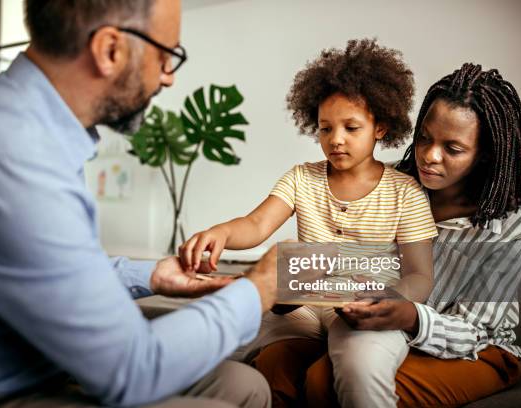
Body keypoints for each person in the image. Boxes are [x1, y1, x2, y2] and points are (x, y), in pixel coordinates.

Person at [0, 1, 278, 407]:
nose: (169, 78)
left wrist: (152, 276)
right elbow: (132, 370)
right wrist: (258, 289)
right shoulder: (9, 151)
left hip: (38, 361)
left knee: (242, 384)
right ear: (109, 50)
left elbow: (51, 269)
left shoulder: (34, 124)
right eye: (166, 57)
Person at [179, 39, 438, 408]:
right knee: (268, 367)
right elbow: (256, 224)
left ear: (380, 127)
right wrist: (220, 233)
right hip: (302, 307)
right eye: (325, 128)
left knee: (359, 371)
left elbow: (420, 275)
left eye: (351, 127)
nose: (336, 140)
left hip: (363, 310)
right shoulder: (302, 178)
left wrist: (390, 300)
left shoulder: (405, 192)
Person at [253, 63, 521, 408]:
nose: (429, 155)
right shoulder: (392, 183)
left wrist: (410, 315)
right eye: (425, 137)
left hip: (473, 349)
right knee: (273, 365)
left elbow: (476, 331)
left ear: (486, 155)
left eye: (453, 149)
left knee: (324, 383)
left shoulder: (513, 225)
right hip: (375, 327)